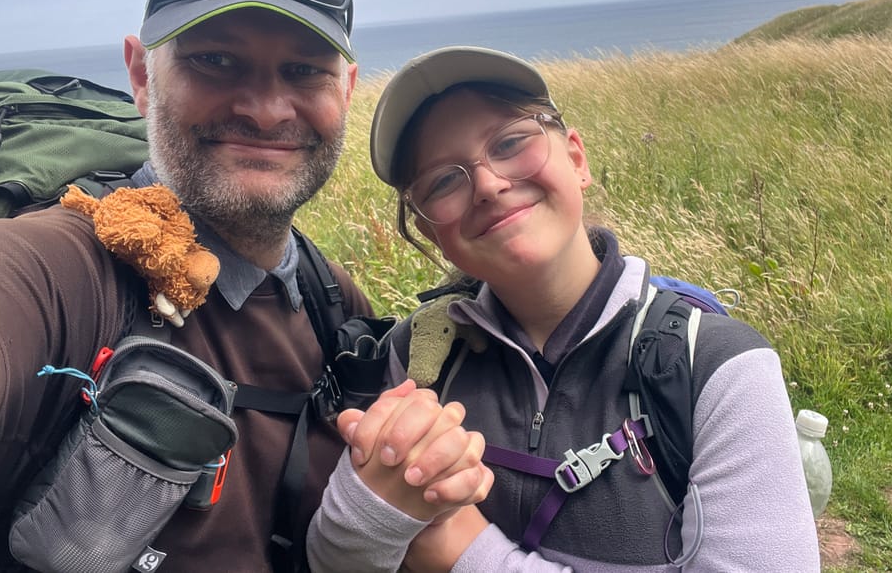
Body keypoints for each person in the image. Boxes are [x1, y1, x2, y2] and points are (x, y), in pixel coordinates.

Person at [0, 0, 486, 573]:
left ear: (344, 91)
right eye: (215, 61)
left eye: (304, 70)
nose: (266, 109)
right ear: (141, 76)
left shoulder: (331, 300)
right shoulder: (64, 271)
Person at [307, 46, 822, 571]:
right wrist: (366, 513)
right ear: (430, 231)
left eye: (510, 143)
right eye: (443, 181)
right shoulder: (419, 360)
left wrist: (464, 552)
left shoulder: (717, 369)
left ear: (577, 159)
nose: (488, 185)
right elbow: (335, 562)